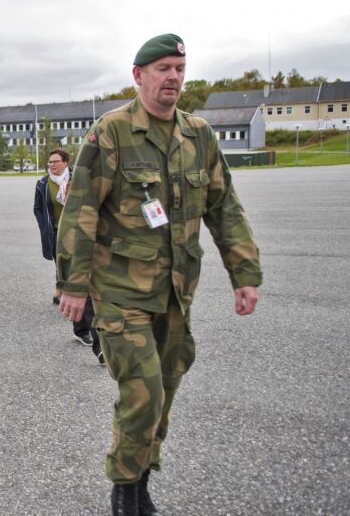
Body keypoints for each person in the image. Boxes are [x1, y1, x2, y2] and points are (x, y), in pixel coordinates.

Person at [56, 34, 262, 515]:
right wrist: (72, 284)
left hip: (176, 294)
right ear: (139, 75)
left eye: (179, 68)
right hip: (121, 292)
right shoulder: (112, 132)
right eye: (163, 68)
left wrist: (244, 272)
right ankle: (125, 491)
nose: (173, 77)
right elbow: (81, 210)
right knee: (143, 393)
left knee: (165, 391)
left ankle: (142, 476)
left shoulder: (199, 136)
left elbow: (224, 207)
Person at [33, 149, 100, 359]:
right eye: (49, 162)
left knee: (90, 281)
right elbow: (38, 208)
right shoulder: (43, 184)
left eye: (55, 162)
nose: (51, 165)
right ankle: (81, 328)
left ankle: (97, 338)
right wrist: (46, 226)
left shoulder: (80, 179)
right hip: (58, 236)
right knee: (71, 276)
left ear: (66, 163)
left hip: (83, 233)